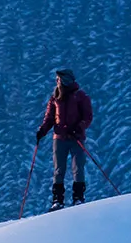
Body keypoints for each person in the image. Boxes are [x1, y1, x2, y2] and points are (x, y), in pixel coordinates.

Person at [36, 69, 93, 211]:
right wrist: (42, 130)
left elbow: (87, 117)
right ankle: (58, 200)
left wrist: (78, 128)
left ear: (66, 80)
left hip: (75, 138)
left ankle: (78, 198)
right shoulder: (55, 97)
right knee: (59, 169)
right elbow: (49, 118)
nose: (57, 82)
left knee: (77, 168)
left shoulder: (80, 97)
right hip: (60, 138)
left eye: (59, 79)